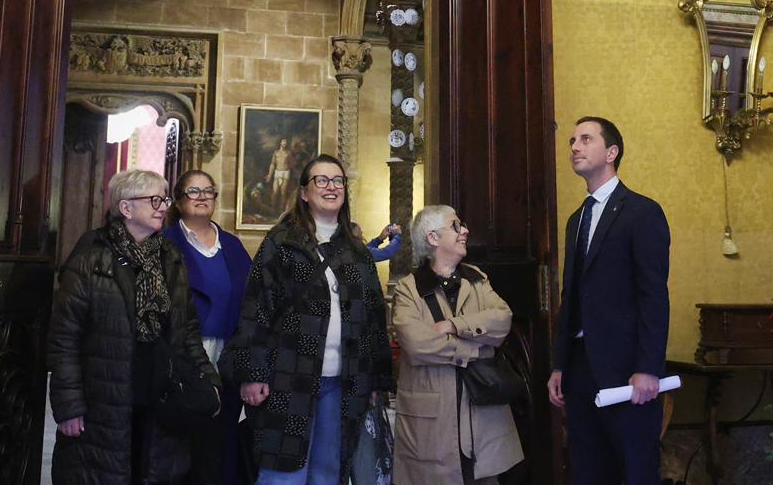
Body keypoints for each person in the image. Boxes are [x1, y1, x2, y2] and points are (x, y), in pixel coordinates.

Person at [224, 154, 393, 485]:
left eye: (338, 181)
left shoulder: (357, 252)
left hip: (343, 382)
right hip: (288, 376)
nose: (331, 187)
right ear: (303, 192)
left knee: (328, 473)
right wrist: (253, 373)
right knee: (283, 473)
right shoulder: (281, 243)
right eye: (321, 180)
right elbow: (257, 310)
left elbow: (373, 319)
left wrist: (376, 381)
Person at [48, 169, 220, 485]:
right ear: (126, 208)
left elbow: (187, 329)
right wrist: (69, 405)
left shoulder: (171, 258)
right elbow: (64, 340)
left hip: (160, 399)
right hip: (105, 400)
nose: (163, 207)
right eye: (154, 199)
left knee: (152, 472)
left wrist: (208, 382)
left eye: (164, 199)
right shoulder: (91, 259)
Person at [547, 117, 670, 485]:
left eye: (586, 139)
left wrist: (648, 366)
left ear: (612, 152)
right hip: (582, 369)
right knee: (586, 468)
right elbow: (572, 297)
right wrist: (560, 364)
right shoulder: (576, 219)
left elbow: (653, 293)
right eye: (572, 140)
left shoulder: (641, 212)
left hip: (627, 368)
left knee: (633, 469)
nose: (574, 147)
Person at [391, 205, 523, 485]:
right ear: (433, 238)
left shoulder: (476, 278)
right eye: (456, 225)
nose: (465, 230)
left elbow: (502, 319)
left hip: (483, 420)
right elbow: (417, 345)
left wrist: (454, 326)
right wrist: (474, 350)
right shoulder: (408, 289)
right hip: (432, 422)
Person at [162, 169, 252, 485]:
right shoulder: (165, 242)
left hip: (227, 352)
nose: (202, 197)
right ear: (178, 199)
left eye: (208, 191)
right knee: (184, 439)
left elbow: (252, 298)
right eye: (193, 191)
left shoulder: (232, 244)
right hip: (184, 353)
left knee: (221, 438)